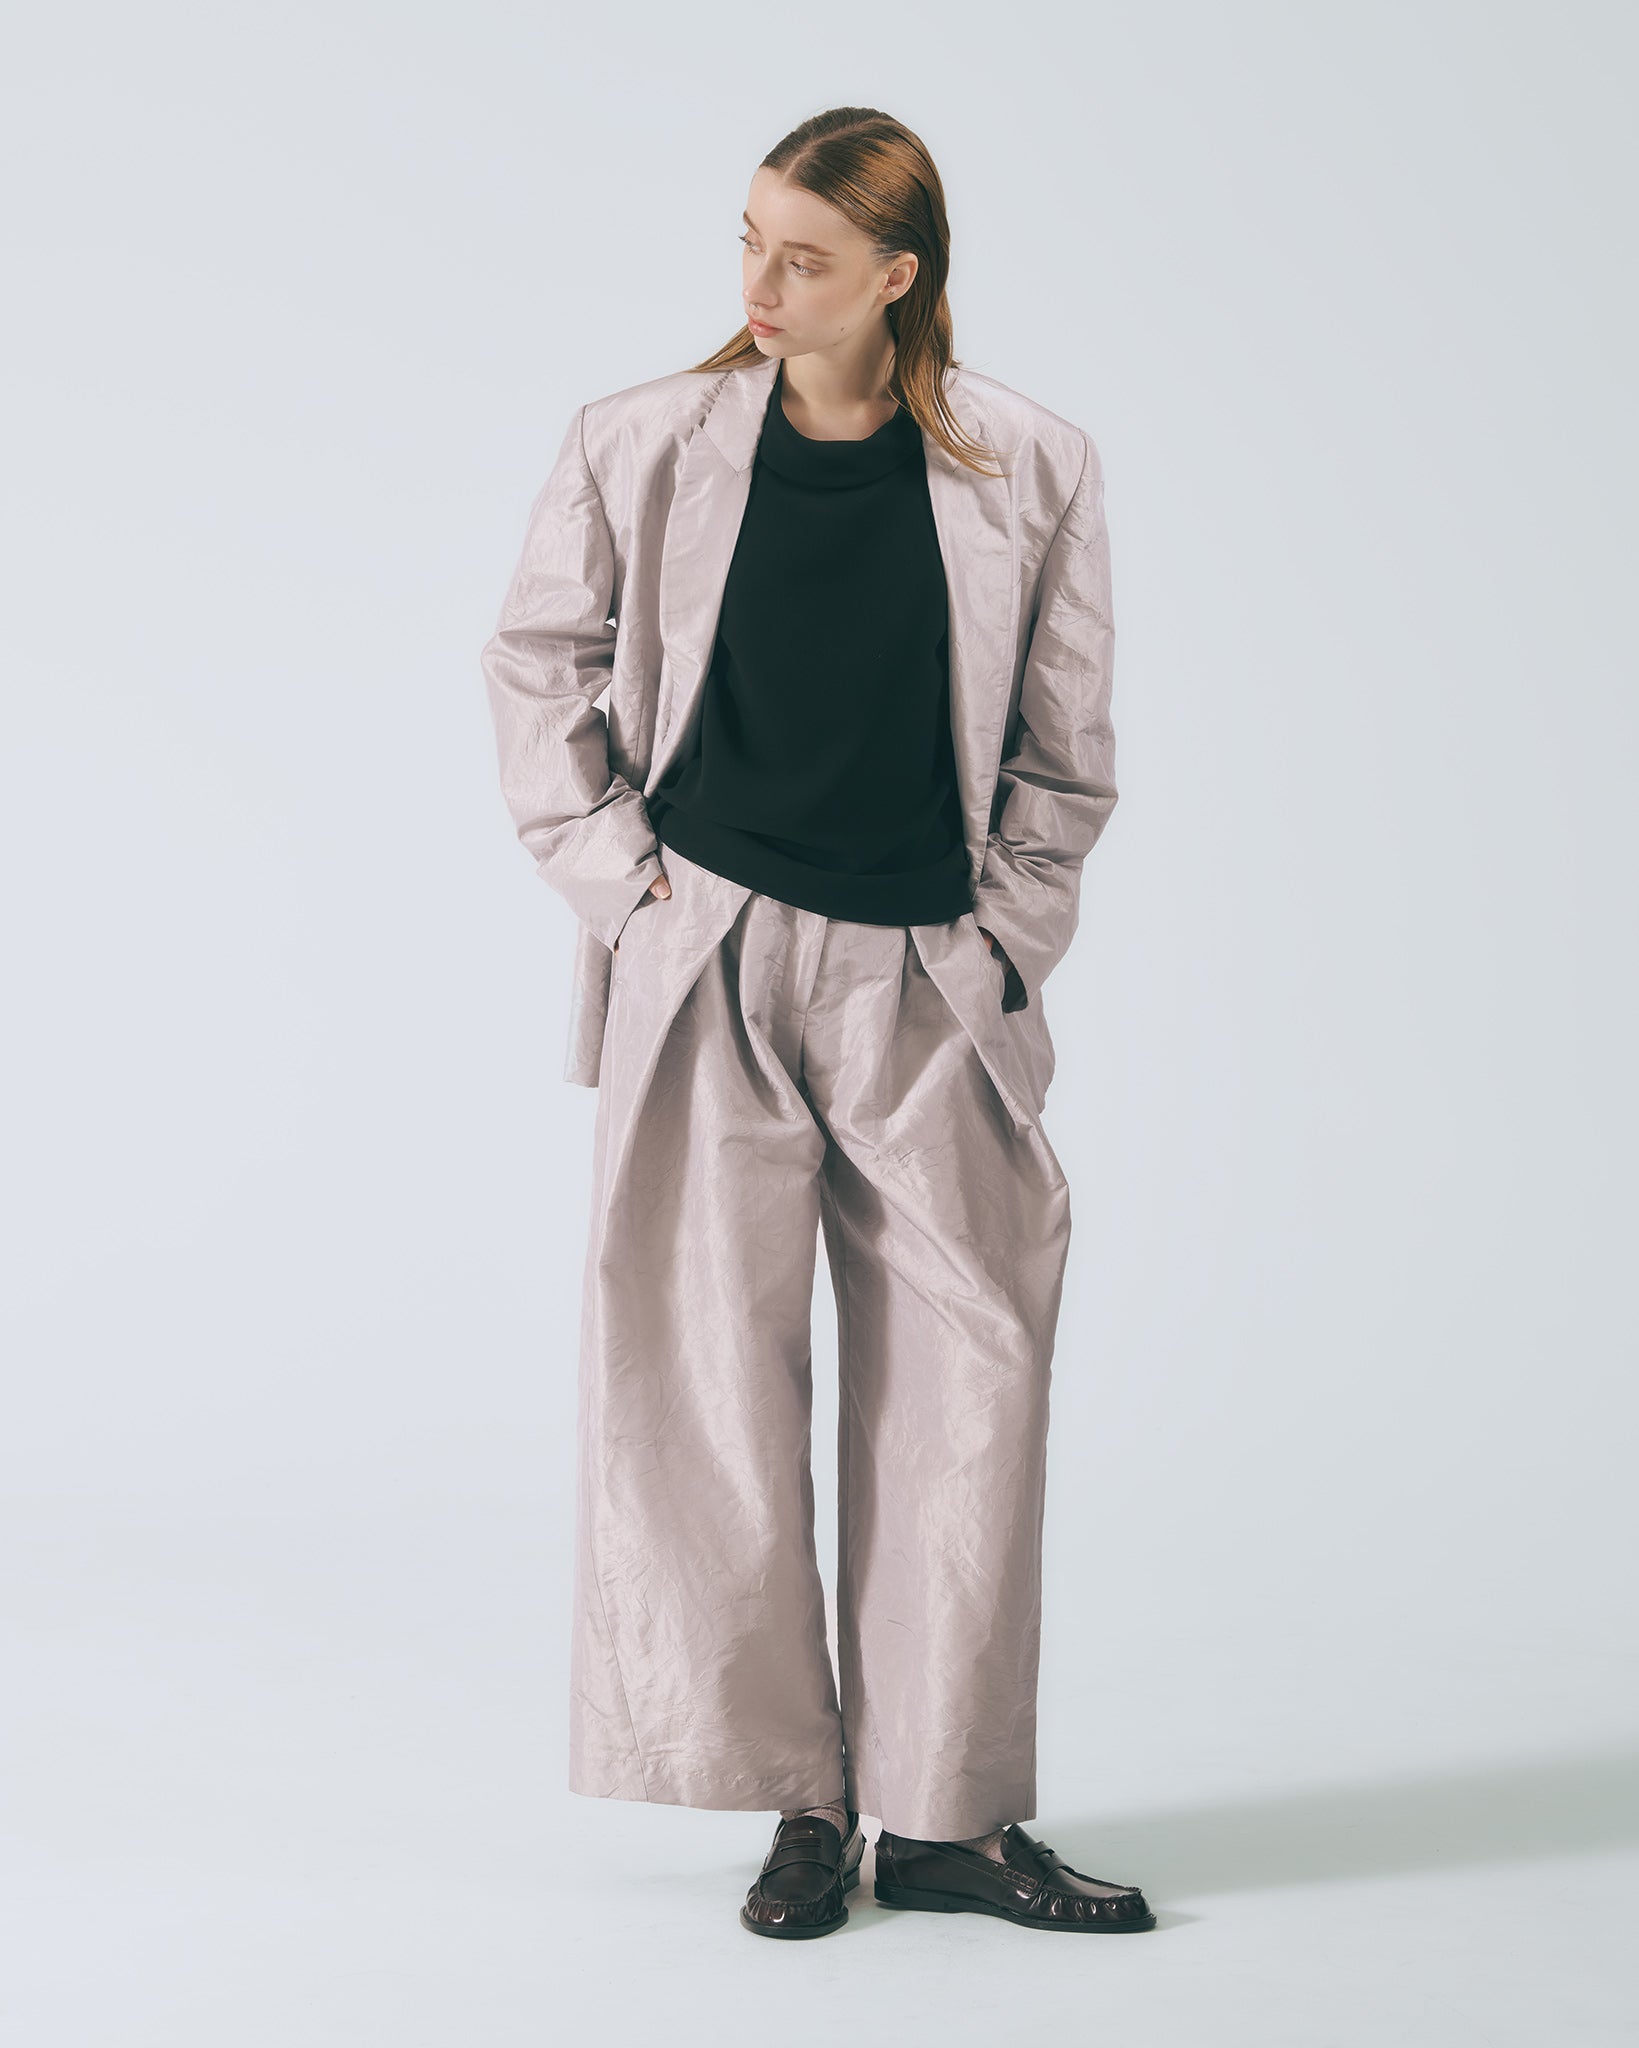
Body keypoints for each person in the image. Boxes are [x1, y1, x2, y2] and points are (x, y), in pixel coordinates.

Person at [480, 104, 1154, 1939]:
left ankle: (947, 1821)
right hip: (706, 954)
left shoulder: (1034, 464)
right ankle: (800, 1803)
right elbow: (536, 662)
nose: (761, 286)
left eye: (806, 257)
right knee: (713, 1387)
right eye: (750, 243)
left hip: (927, 976)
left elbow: (1067, 750)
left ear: (899, 275)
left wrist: (1005, 940)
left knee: (972, 1383)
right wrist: (625, 890)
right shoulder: (641, 439)